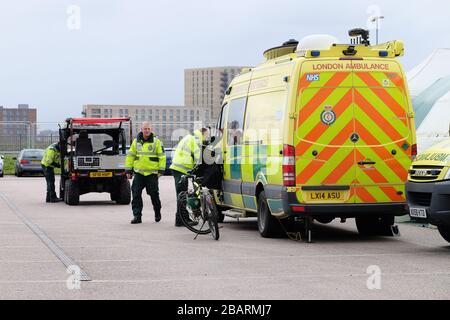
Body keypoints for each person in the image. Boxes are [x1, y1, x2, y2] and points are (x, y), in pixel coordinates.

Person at [125, 122, 166, 224]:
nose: (147, 130)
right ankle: (137, 216)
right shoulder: (136, 142)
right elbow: (130, 156)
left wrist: (161, 171)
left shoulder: (157, 142)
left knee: (154, 194)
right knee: (135, 194)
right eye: (145, 129)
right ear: (141, 129)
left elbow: (162, 157)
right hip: (139, 173)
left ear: (151, 129)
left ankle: (157, 212)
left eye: (148, 129)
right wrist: (128, 170)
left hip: (151, 174)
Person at [170, 128, 208, 227]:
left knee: (181, 194)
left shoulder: (190, 137)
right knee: (182, 195)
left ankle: (181, 219)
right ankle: (181, 220)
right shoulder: (196, 140)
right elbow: (198, 157)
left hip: (179, 168)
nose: (207, 137)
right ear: (202, 134)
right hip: (181, 169)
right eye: (207, 135)